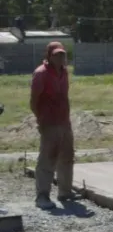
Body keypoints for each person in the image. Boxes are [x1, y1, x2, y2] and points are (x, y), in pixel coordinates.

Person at [30, 41, 75, 210]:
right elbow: (34, 101)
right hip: (49, 122)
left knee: (67, 156)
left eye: (63, 54)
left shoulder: (64, 72)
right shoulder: (41, 74)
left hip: (64, 121)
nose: (61, 57)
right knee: (47, 159)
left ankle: (65, 191)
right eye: (57, 55)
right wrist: (41, 119)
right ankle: (42, 195)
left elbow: (65, 96)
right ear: (49, 56)